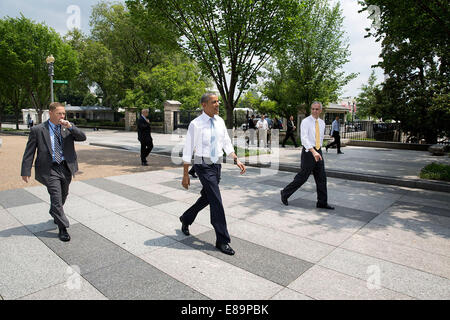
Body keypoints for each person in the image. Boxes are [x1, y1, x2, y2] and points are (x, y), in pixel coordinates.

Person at [180, 93, 246, 255]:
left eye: (218, 102)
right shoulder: (195, 124)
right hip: (202, 165)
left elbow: (226, 142)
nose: (217, 105)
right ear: (204, 105)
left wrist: (235, 159)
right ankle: (222, 240)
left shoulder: (220, 121)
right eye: (213, 102)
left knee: (208, 197)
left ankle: (186, 218)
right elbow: (188, 149)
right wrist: (185, 174)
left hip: (216, 164)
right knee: (216, 200)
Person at [21, 102, 87, 241]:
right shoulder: (38, 130)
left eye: (63, 113)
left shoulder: (67, 127)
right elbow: (29, 152)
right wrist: (25, 170)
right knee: (56, 196)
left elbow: (82, 137)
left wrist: (71, 127)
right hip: (49, 169)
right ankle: (62, 228)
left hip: (66, 167)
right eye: (59, 113)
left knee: (63, 194)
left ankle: (54, 211)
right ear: (50, 113)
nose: (62, 116)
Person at [280, 101, 334, 210]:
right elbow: (304, 139)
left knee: (321, 178)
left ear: (320, 110)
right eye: (313, 109)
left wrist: (318, 151)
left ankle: (322, 202)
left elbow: (320, 138)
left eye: (317, 109)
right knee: (302, 177)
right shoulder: (305, 121)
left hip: (318, 151)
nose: (314, 111)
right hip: (308, 152)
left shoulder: (322, 123)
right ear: (311, 109)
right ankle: (285, 193)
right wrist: (313, 152)